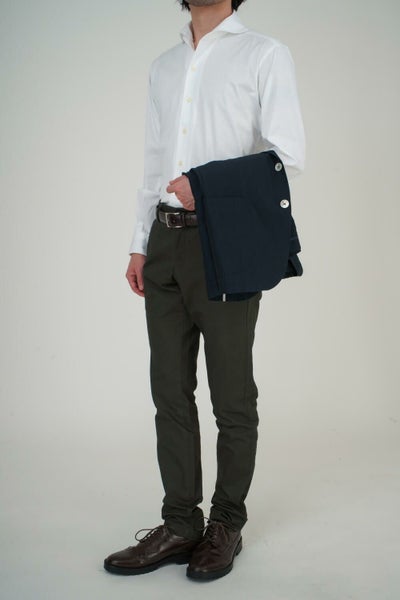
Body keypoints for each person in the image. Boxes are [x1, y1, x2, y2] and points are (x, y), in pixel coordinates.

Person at [104, 0, 305, 581]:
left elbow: (288, 154)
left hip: (227, 242)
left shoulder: (264, 54)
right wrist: (139, 243)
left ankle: (226, 524)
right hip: (164, 240)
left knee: (231, 396)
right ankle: (179, 524)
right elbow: (153, 160)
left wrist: (204, 185)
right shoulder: (164, 66)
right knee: (169, 389)